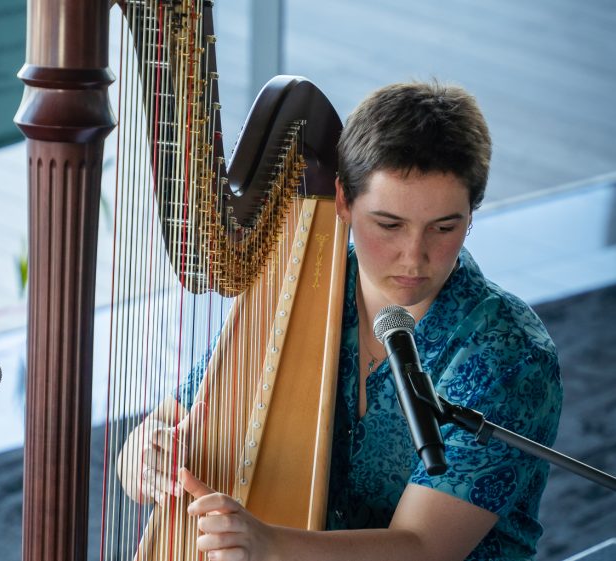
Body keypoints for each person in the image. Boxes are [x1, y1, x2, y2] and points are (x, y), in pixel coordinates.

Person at [118, 80, 563, 561]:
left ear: (471, 214)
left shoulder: (509, 355)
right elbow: (180, 415)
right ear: (344, 202)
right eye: (389, 225)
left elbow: (423, 548)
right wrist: (143, 453)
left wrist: (269, 543)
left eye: (444, 227)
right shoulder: (303, 281)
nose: (413, 257)